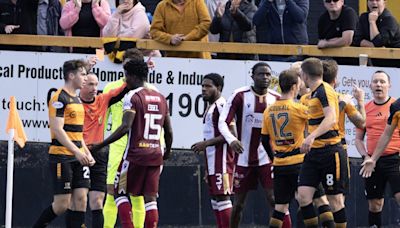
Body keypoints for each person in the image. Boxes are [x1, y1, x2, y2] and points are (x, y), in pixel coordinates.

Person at [90, 57, 173, 228]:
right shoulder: (161, 97)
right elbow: (169, 131)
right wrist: (168, 151)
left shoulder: (132, 96)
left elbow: (125, 126)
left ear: (133, 76)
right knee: (150, 199)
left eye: (126, 76)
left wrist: (99, 145)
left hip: (134, 154)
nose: (125, 80)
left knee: (117, 192)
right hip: (155, 153)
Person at [218, 62, 286, 228]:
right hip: (243, 158)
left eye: (268, 74)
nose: (265, 77)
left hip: (267, 157)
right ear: (252, 76)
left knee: (273, 200)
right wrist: (232, 140)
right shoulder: (240, 95)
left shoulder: (276, 99)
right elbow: (223, 122)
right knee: (239, 203)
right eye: (261, 74)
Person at [33, 59, 95, 228]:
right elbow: (58, 130)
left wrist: (86, 152)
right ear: (71, 75)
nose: (85, 78)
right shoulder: (58, 97)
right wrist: (77, 151)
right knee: (62, 205)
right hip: (62, 156)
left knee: (81, 199)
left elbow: (77, 132)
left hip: (78, 156)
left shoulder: (77, 98)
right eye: (82, 74)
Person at [102, 49, 155, 228]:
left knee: (137, 194)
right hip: (118, 147)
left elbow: (161, 126)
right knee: (111, 191)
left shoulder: (152, 91)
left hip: (140, 147)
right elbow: (102, 118)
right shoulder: (112, 89)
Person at [79, 58, 131, 228]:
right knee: (78, 199)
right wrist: (85, 65)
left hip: (99, 153)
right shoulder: (73, 102)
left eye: (96, 85)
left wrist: (138, 70)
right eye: (90, 84)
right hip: (78, 152)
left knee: (97, 200)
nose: (95, 88)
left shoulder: (102, 100)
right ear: (81, 84)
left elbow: (124, 88)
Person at [297, 58, 348, 228]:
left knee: (335, 200)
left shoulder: (324, 90)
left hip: (330, 151)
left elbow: (331, 118)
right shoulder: (313, 93)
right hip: (313, 153)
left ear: (304, 75)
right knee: (303, 195)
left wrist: (311, 137)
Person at [354, 71, 400, 228]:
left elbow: (388, 134)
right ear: (370, 86)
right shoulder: (365, 108)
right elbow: (358, 140)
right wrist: (366, 157)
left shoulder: (395, 106)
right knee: (375, 204)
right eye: (375, 82)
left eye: (382, 82)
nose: (378, 85)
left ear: (389, 85)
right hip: (372, 162)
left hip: (395, 159)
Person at [191, 73, 235, 228]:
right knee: (215, 198)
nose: (204, 89)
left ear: (219, 88)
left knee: (223, 197)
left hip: (222, 161)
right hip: (212, 162)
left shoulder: (222, 106)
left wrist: (206, 144)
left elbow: (232, 135)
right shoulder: (211, 107)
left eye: (208, 86)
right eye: (202, 86)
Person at [352, 0, 400, 67]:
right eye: (371, 0)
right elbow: (355, 40)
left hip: (393, 64)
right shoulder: (363, 17)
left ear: (384, 2)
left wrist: (372, 22)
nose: (374, 2)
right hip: (373, 62)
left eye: (377, 0)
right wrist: (371, 45)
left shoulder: (390, 20)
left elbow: (378, 43)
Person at [317, 0, 358, 65]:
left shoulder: (348, 13)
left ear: (342, 1)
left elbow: (347, 41)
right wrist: (339, 40)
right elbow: (320, 43)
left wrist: (327, 43)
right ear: (324, 3)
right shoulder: (322, 19)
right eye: (328, 0)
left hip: (356, 62)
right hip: (334, 63)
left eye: (335, 0)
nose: (332, 3)